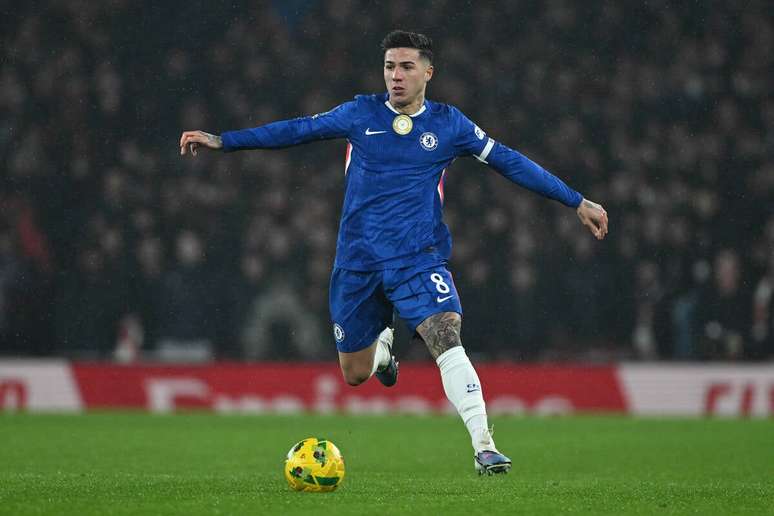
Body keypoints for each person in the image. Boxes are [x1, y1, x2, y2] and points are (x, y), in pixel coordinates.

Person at [179, 30, 608, 474]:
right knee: (355, 374)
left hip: (417, 258)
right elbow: (297, 130)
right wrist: (224, 140)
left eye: (406, 67)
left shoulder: (449, 125)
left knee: (445, 333)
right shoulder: (359, 113)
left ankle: (484, 445)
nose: (396, 76)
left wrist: (576, 200)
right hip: (358, 262)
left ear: (428, 72)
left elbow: (510, 161)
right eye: (389, 67)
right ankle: (383, 351)